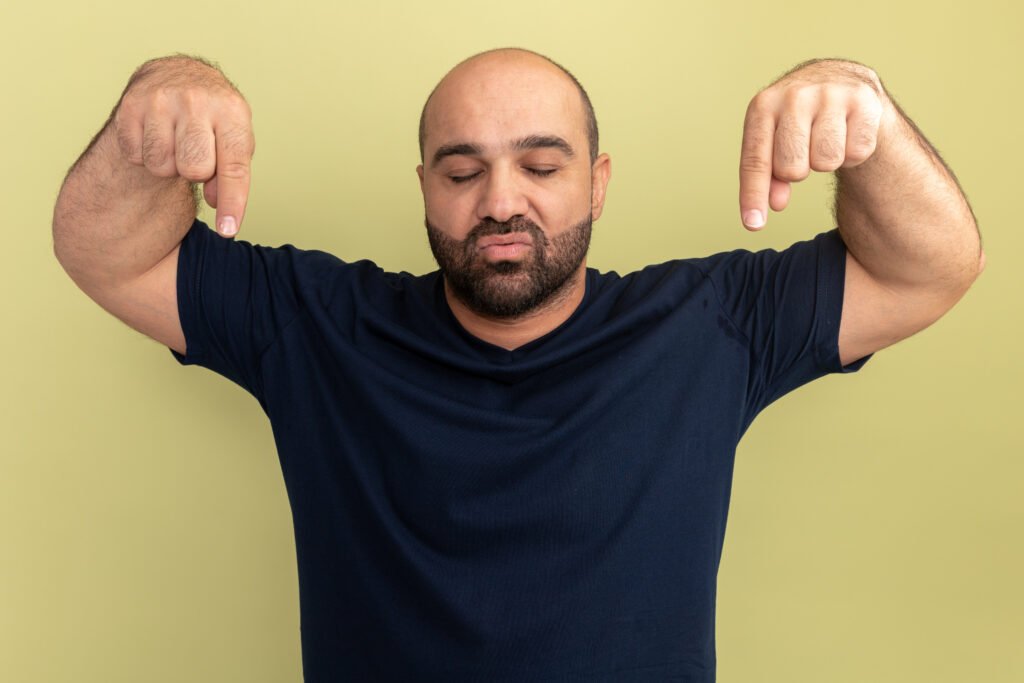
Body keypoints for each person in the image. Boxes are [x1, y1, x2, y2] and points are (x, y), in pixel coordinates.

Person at [52, 48, 984, 682]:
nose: (502, 202)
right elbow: (107, 251)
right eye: (462, 172)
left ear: (598, 182)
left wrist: (862, 108)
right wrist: (165, 88)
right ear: (424, 187)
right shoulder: (313, 322)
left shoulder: (711, 324)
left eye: (541, 166)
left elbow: (928, 266)